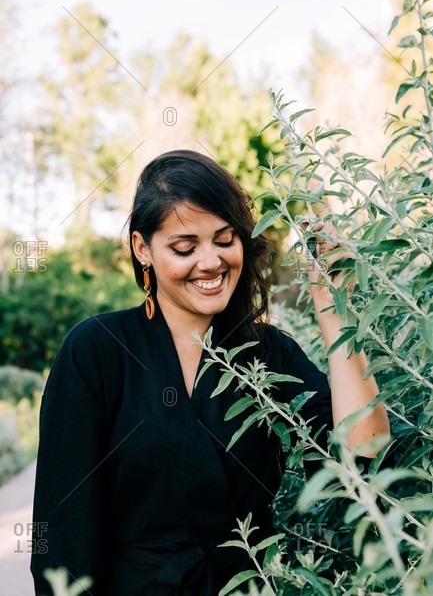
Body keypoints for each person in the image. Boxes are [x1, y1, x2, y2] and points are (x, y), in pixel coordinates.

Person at [30, 150, 390, 596]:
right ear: (143, 249)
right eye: (185, 247)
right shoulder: (96, 352)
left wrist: (336, 313)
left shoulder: (268, 354)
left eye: (225, 240)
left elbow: (365, 457)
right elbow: (63, 532)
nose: (211, 262)